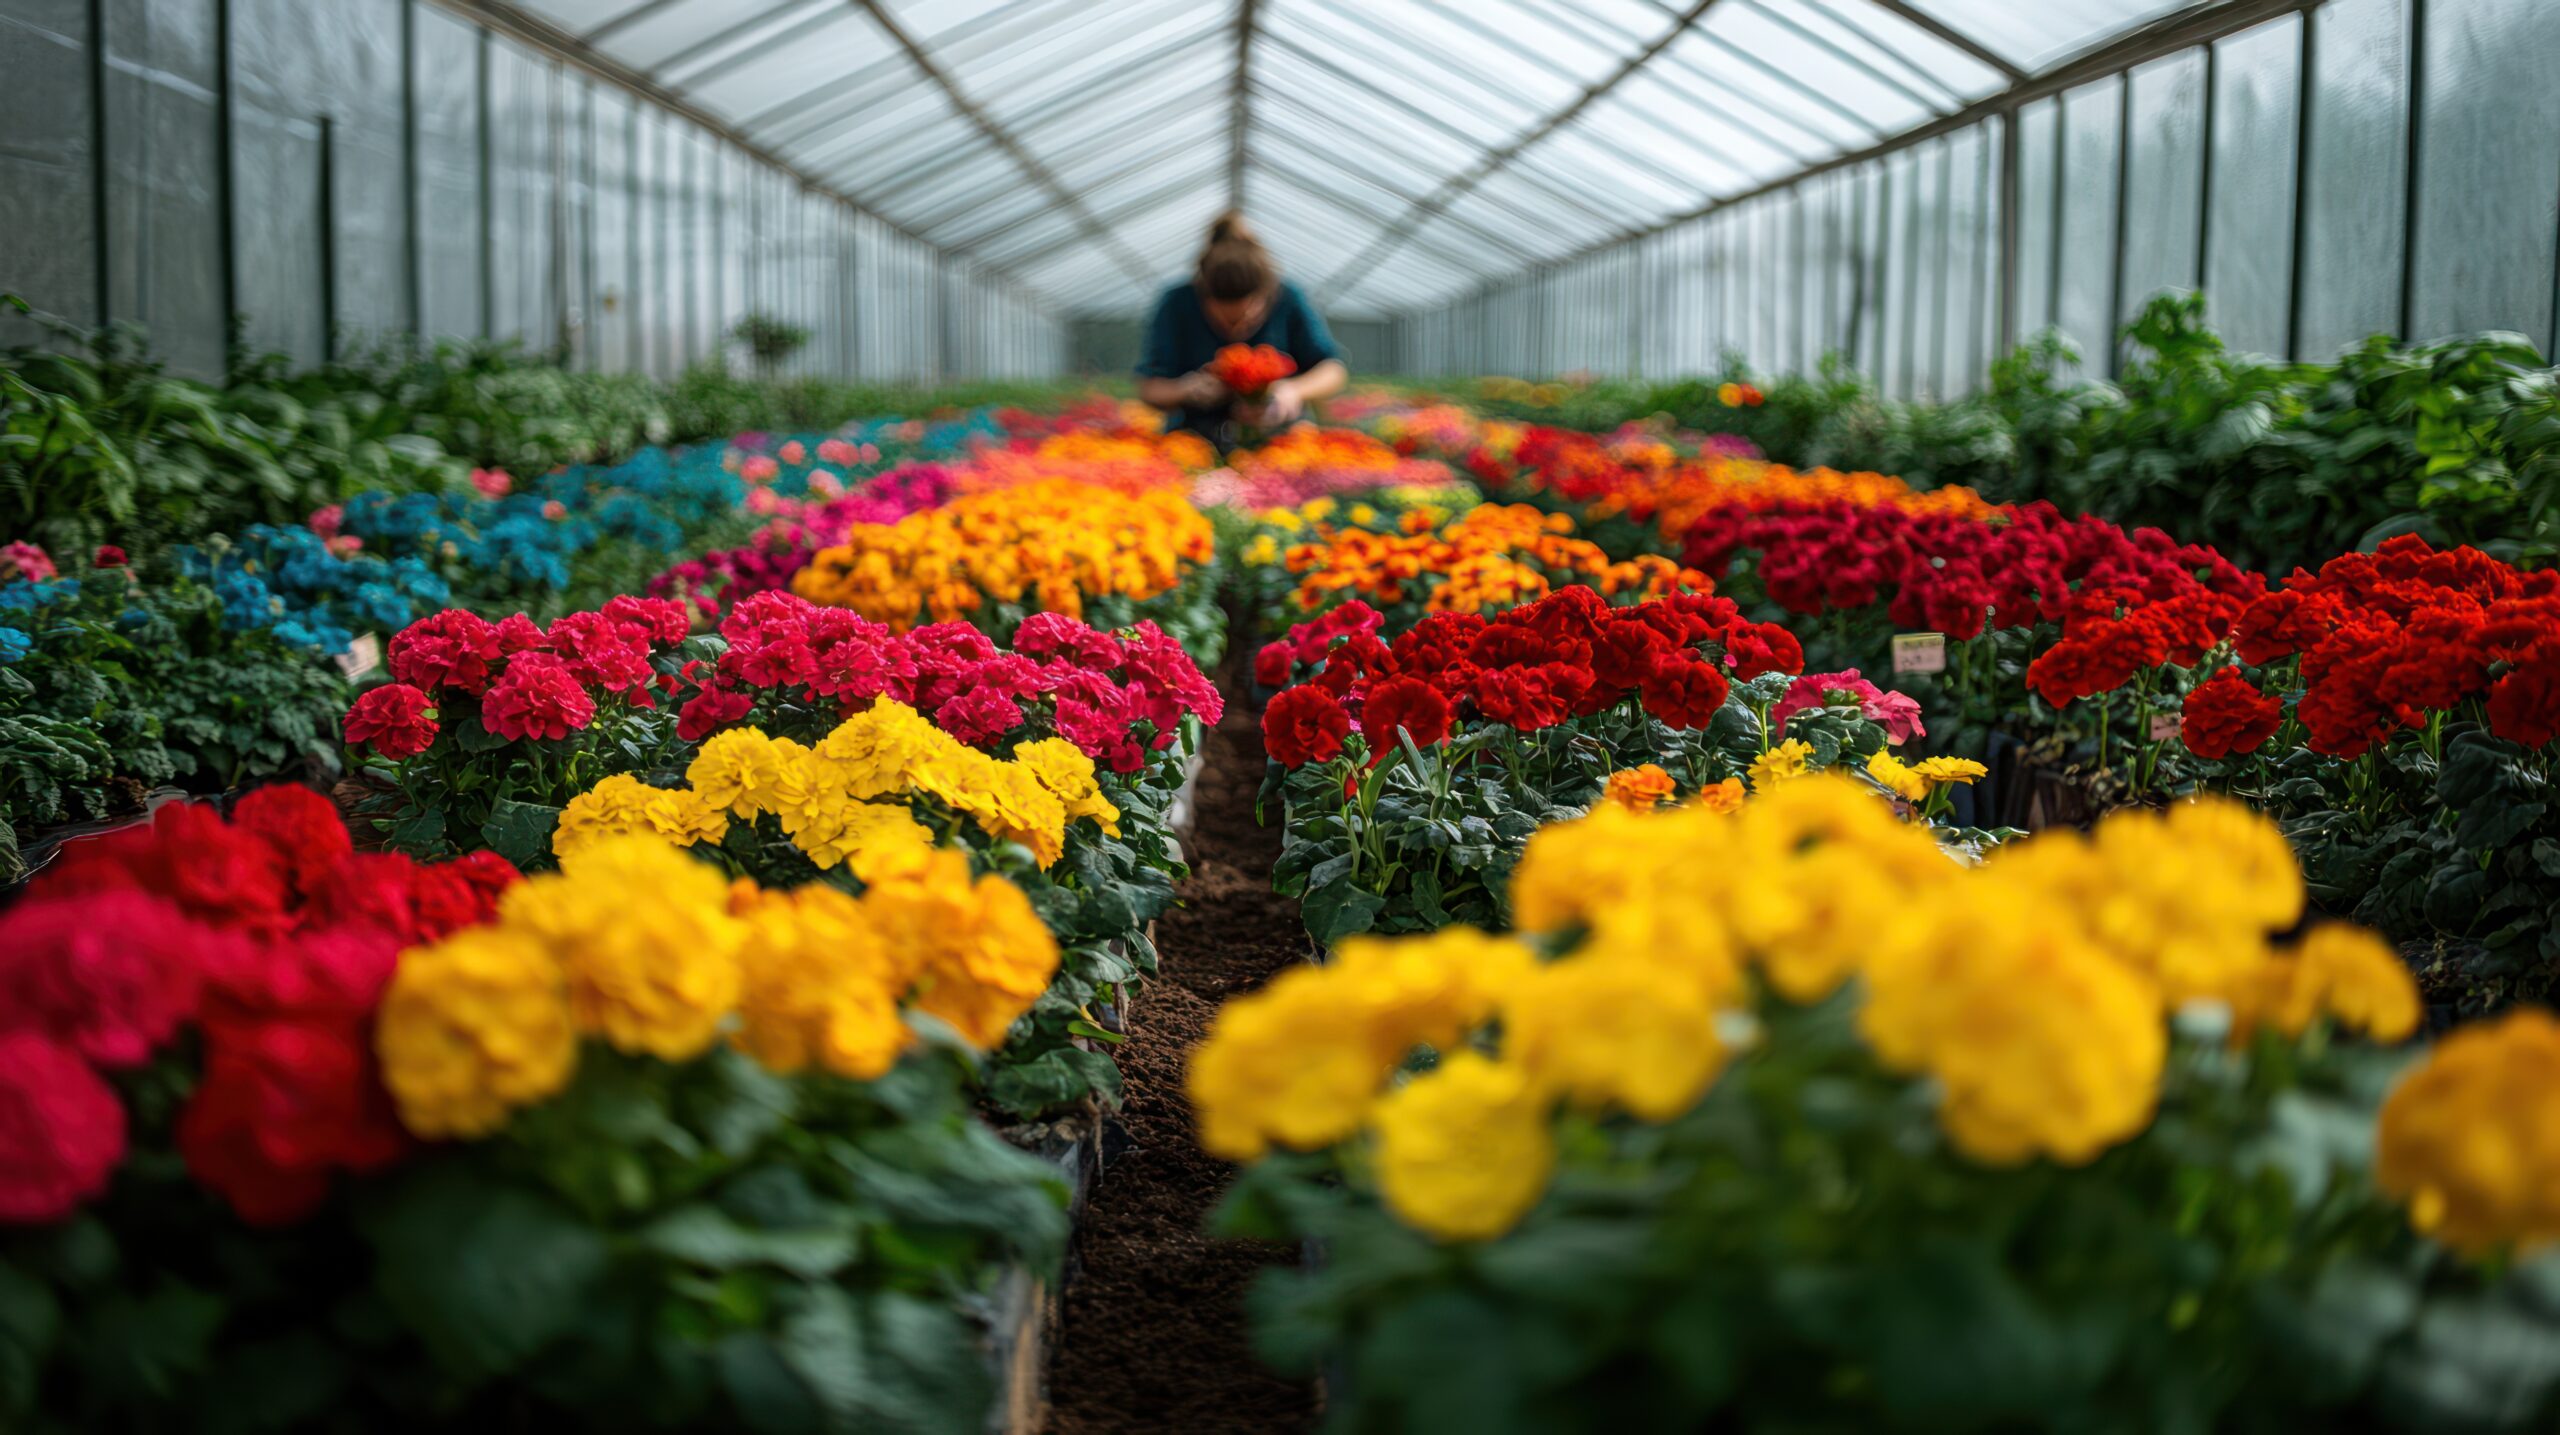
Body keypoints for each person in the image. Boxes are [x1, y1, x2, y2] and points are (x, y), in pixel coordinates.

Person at [1135, 212, 1349, 446]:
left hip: (1283, 446)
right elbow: (1149, 388)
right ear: (1203, 294)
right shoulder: (1177, 302)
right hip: (1195, 445)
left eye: (1246, 318)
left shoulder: (1289, 298)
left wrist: (1291, 390)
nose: (1236, 330)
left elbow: (1332, 370)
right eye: (1225, 320)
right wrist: (1186, 389)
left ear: (1266, 294)